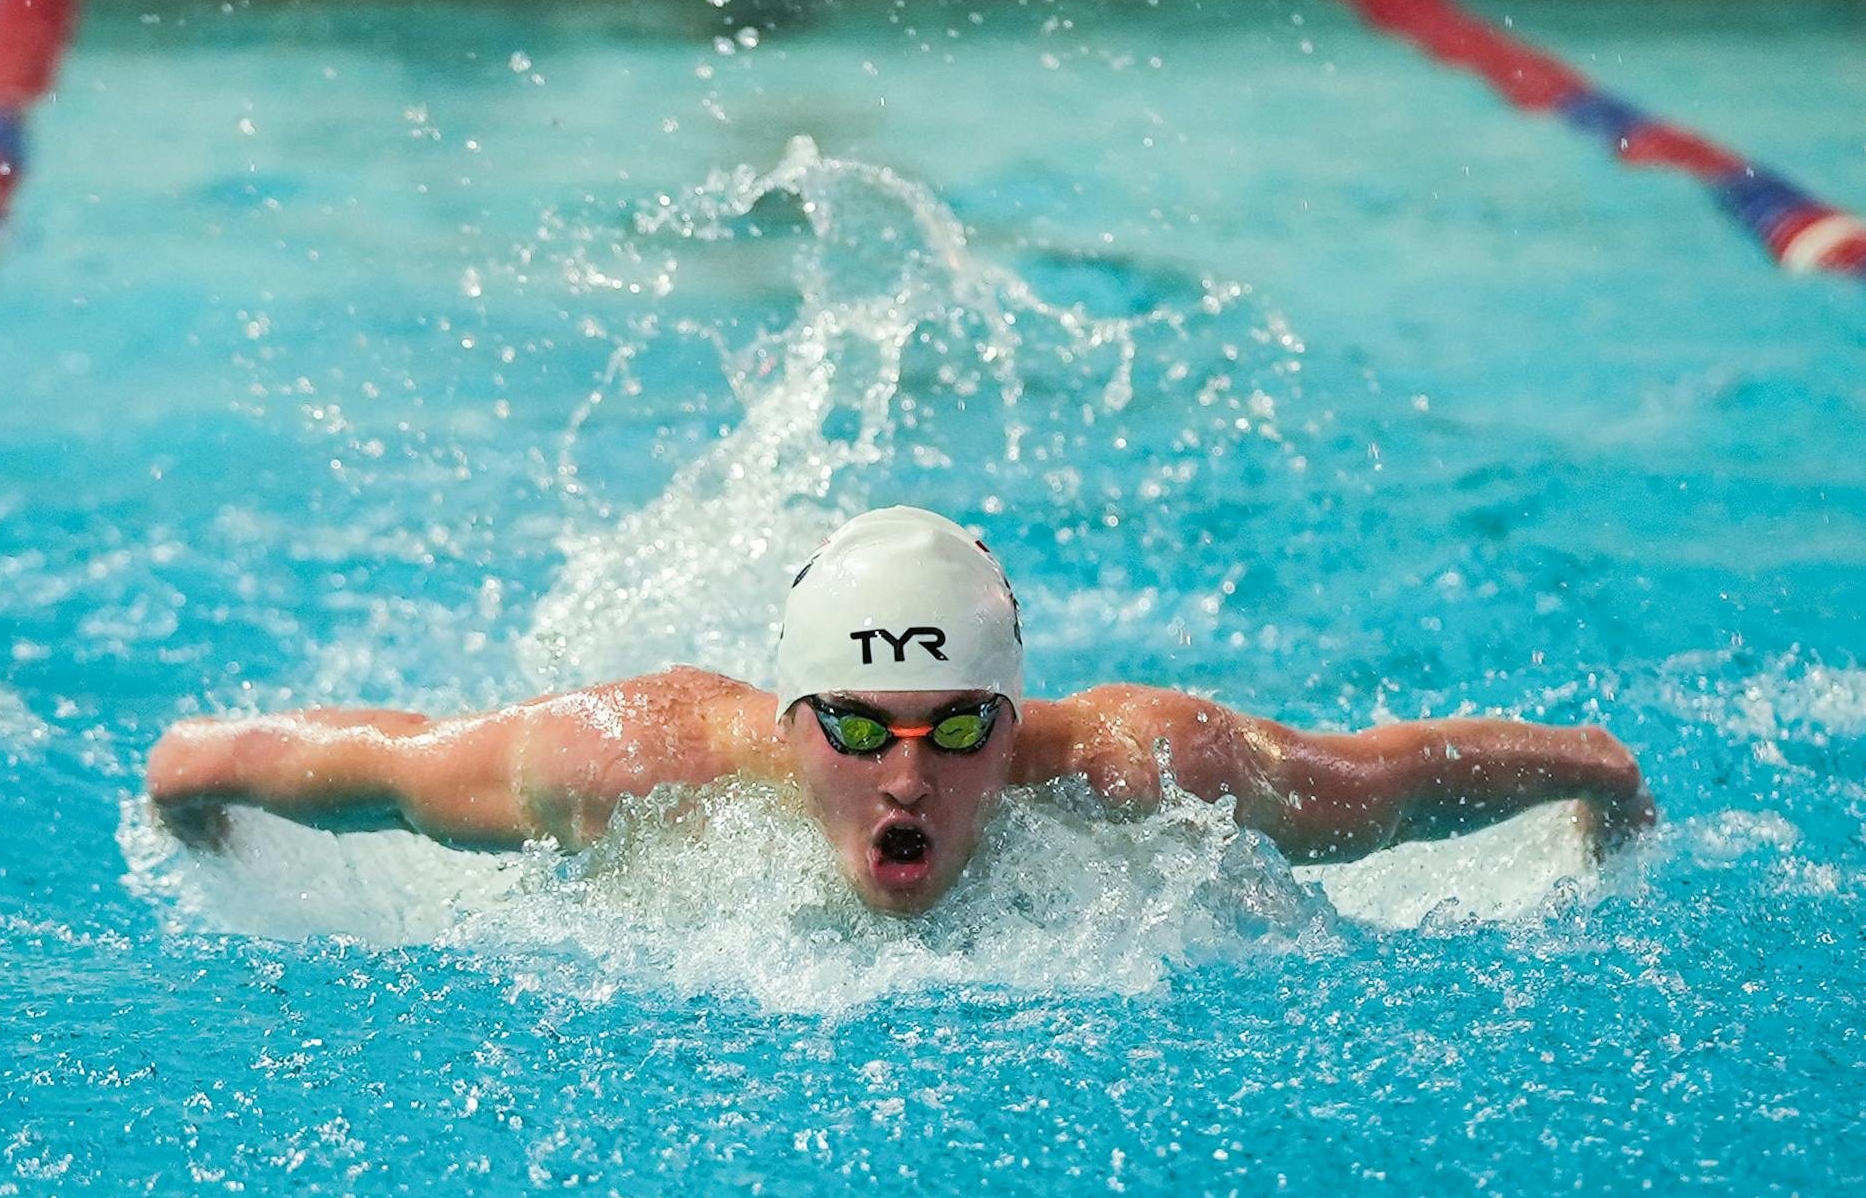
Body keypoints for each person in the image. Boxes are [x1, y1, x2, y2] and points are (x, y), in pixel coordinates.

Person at [146, 507, 1654, 916]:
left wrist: (1595, 777)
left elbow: (1391, 781)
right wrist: (195, 799)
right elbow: (302, 759)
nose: (912, 771)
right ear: (792, 720)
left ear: (1020, 719)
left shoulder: (1152, 769)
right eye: (862, 727)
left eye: (959, 725)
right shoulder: (618, 763)